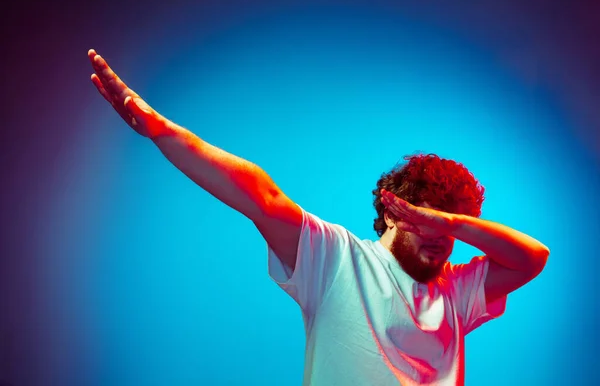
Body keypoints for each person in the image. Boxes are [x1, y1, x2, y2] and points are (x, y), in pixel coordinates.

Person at [88, 49, 549, 386]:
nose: (441, 239)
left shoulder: (457, 289)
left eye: (451, 229)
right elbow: (261, 196)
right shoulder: (335, 260)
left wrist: (450, 223)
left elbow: (532, 258)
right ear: (391, 212)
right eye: (425, 221)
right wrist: (160, 130)